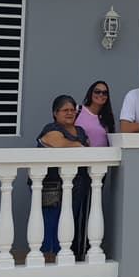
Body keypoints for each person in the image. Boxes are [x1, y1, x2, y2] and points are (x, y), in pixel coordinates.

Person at [37, 95, 89, 263]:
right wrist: (79, 146)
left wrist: (78, 146)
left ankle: (64, 259)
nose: (70, 113)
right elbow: (59, 144)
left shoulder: (80, 131)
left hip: (77, 187)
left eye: (72, 110)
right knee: (50, 225)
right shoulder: (51, 128)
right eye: (65, 110)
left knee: (68, 225)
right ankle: (47, 259)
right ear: (55, 113)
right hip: (52, 189)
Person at [76, 81, 115, 147]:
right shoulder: (78, 110)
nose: (101, 95)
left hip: (103, 156)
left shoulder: (108, 118)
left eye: (104, 93)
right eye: (97, 92)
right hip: (80, 155)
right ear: (90, 93)